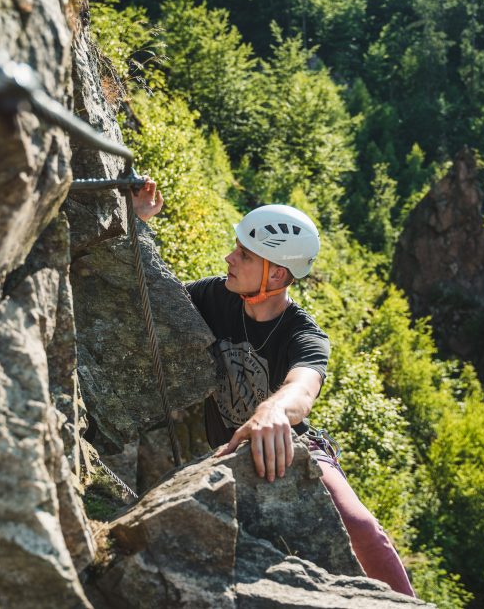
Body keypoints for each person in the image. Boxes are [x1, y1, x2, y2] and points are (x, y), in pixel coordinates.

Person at [133, 178, 415, 598]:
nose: (229, 258)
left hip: (289, 445)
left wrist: (273, 410)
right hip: (229, 452)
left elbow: (303, 387)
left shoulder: (305, 336)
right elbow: (148, 291)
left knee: (362, 529)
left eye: (244, 255)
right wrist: (138, 223)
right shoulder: (215, 295)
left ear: (277, 273)